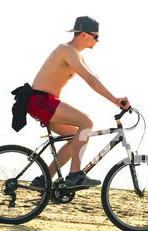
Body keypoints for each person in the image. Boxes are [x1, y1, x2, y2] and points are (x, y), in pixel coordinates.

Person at [28, 16, 131, 188]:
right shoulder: (66, 50)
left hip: (43, 102)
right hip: (41, 101)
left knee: (76, 136)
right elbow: (91, 81)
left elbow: (94, 78)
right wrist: (116, 101)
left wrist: (117, 99)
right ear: (84, 34)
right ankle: (75, 175)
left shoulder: (75, 54)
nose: (97, 41)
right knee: (87, 122)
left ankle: (44, 180)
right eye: (96, 36)